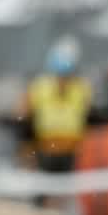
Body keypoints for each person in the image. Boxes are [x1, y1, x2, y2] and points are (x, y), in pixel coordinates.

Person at [25, 36, 92, 179]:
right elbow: (26, 117)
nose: (63, 79)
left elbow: (88, 116)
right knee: (45, 186)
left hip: (72, 149)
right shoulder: (40, 87)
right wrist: (28, 147)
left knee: (66, 188)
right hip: (45, 147)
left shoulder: (81, 89)